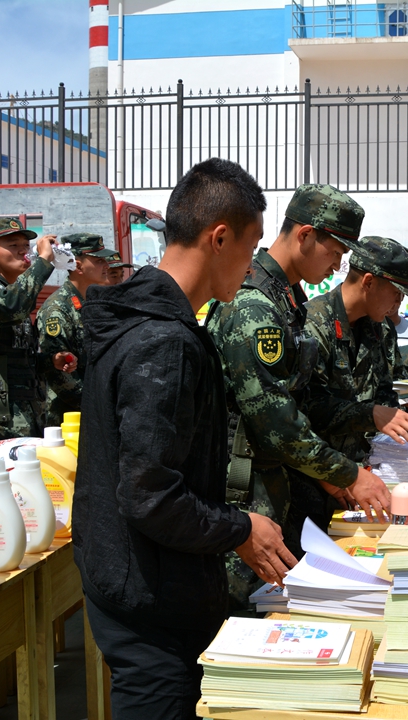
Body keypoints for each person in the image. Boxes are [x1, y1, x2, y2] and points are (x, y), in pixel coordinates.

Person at [74, 158, 298, 719]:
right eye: (250, 250)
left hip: (133, 579)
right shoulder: (163, 342)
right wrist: (240, 528)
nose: (250, 267)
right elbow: (150, 494)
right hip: (152, 601)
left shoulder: (140, 316)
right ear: (218, 239)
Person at [209, 183, 392, 611]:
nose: (338, 265)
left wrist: (331, 474)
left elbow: (304, 402)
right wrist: (349, 474)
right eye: (336, 252)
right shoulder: (254, 308)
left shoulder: (286, 299)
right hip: (245, 499)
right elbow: (278, 425)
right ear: (306, 236)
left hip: (278, 491)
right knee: (243, 618)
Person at [294, 236, 408, 532]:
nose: (399, 302)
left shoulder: (380, 329)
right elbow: (304, 409)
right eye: (396, 292)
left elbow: (384, 392)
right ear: (368, 282)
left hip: (363, 480)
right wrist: (370, 415)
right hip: (314, 480)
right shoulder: (313, 324)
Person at [0, 217, 74, 439]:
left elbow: (19, 359)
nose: (23, 251)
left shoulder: (19, 294)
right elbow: (10, 305)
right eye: (13, 245)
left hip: (27, 414)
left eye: (25, 246)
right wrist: (44, 261)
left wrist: (51, 361)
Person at [36, 233, 115, 425]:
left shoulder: (93, 302)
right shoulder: (57, 309)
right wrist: (100, 407)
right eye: (99, 260)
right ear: (78, 266)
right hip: (70, 419)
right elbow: (60, 376)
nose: (107, 265)